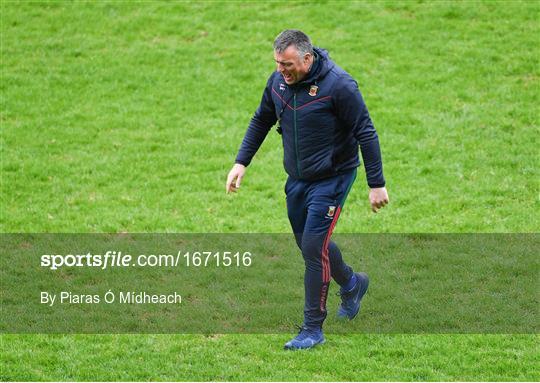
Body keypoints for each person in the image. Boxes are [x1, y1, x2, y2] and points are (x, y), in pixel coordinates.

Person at [225, 30, 389, 350]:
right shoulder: (278, 83)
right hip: (298, 179)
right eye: (277, 64)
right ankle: (352, 284)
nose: (281, 70)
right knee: (310, 244)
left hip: (334, 177)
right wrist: (240, 162)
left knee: (314, 247)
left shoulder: (339, 86)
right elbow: (262, 119)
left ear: (307, 58)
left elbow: (366, 132)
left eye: (287, 64)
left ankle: (312, 328)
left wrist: (376, 184)